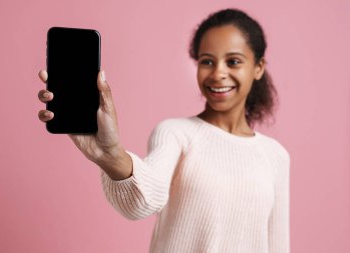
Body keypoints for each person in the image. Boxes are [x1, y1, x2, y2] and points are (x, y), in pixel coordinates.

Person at [37, 8, 290, 253]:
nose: (218, 73)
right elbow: (142, 202)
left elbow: (278, 245)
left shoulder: (275, 155)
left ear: (258, 67)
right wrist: (110, 155)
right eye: (207, 61)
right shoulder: (175, 133)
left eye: (233, 61)